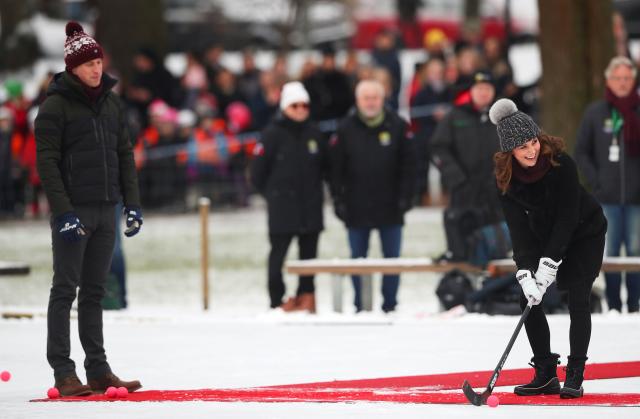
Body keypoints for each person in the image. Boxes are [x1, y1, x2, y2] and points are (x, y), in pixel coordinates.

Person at [35, 22, 143, 397]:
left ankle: (98, 369)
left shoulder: (112, 103)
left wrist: (132, 204)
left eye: (98, 60)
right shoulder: (54, 106)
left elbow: (124, 154)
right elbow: (46, 163)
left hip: (106, 208)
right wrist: (63, 212)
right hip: (74, 211)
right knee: (65, 289)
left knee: (95, 291)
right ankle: (63, 372)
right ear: (72, 67)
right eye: (88, 63)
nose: (97, 68)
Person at [490, 98, 607, 399]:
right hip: (543, 235)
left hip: (585, 231)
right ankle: (545, 373)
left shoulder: (561, 163)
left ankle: (576, 372)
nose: (531, 151)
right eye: (522, 147)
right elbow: (518, 230)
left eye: (533, 142)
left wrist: (550, 263)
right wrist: (526, 271)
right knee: (527, 299)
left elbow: (568, 217)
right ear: (509, 152)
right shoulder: (506, 180)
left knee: (577, 296)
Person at [330, 79, 415, 313]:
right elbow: (335, 169)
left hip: (391, 207)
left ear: (382, 99)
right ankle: (361, 305)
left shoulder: (398, 125)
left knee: (391, 260)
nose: (370, 102)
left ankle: (390, 305)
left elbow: (410, 165)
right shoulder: (345, 128)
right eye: (365, 98)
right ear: (358, 101)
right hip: (356, 207)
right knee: (358, 260)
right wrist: (338, 199)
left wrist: (406, 198)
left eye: (374, 97)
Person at [250, 82, 328, 313]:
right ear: (285, 107)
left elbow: (326, 167)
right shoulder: (271, 134)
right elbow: (257, 173)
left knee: (308, 258)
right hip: (282, 208)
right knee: (278, 257)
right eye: (295, 105)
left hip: (310, 206)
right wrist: (274, 196)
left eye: (305, 105)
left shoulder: (315, 133)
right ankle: (277, 301)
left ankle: (306, 296)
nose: (301, 109)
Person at [575, 56, 640, 314]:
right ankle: (614, 304)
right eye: (618, 78)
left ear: (633, 81)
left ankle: (634, 304)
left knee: (635, 250)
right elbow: (582, 152)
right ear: (608, 80)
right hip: (607, 199)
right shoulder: (595, 112)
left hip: (637, 200)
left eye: (627, 78)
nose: (622, 83)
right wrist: (597, 182)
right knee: (610, 251)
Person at [431, 71, 503, 261]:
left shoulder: (504, 119)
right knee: (462, 248)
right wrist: (456, 178)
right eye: (479, 89)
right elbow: (438, 148)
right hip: (464, 192)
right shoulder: (454, 116)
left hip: (495, 193)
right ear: (471, 91)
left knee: (496, 248)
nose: (483, 93)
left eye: (487, 89)